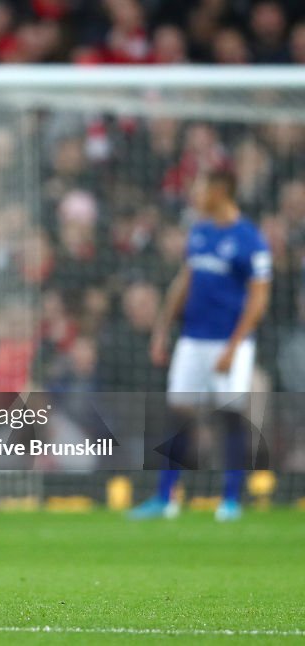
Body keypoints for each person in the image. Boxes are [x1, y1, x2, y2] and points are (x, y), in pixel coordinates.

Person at [130, 169, 271, 522]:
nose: (195, 193)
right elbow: (185, 281)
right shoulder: (200, 232)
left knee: (230, 417)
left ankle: (231, 500)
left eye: (201, 187)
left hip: (228, 343)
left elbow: (258, 299)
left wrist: (234, 347)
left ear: (221, 190)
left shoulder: (249, 239)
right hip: (192, 340)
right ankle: (166, 497)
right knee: (178, 413)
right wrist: (163, 327)